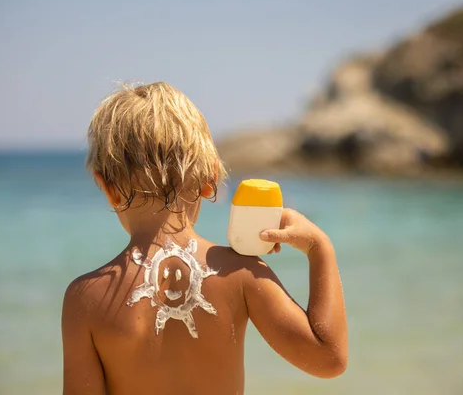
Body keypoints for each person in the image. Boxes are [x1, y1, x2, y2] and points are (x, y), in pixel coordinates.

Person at [62, 82, 348, 395]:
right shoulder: (241, 273)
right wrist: (320, 248)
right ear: (211, 180)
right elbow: (328, 358)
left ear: (108, 189)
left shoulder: (84, 298)